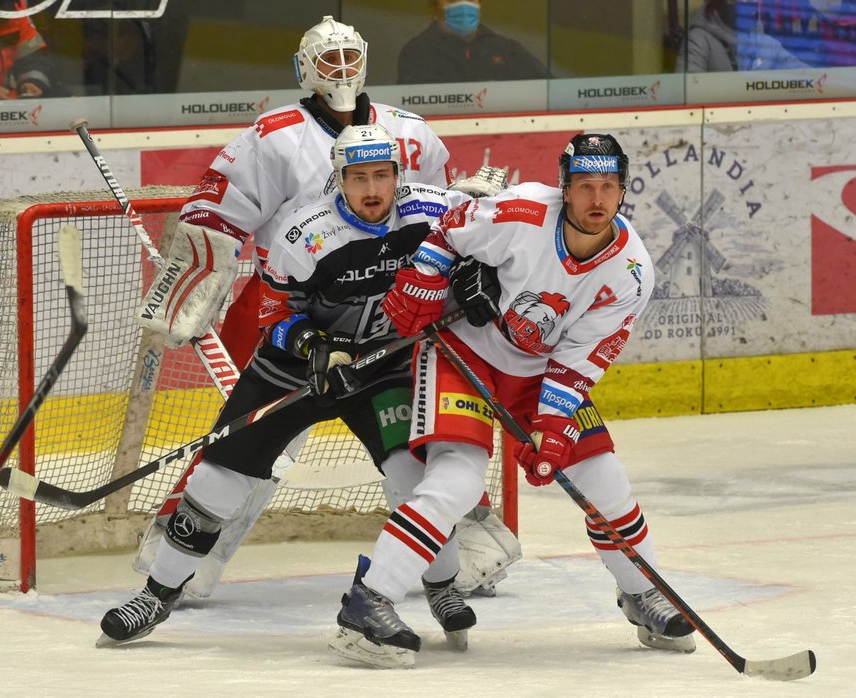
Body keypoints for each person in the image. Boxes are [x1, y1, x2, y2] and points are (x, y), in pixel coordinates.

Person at [130, 14, 521, 602]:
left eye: (348, 57)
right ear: (304, 68)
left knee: (422, 431)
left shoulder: (411, 130)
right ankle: (188, 553)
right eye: (326, 60)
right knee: (252, 431)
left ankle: (460, 540)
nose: (339, 70)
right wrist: (199, 268)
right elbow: (215, 213)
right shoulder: (274, 134)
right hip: (295, 303)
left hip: (395, 308)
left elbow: (444, 222)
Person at [99, 124, 512, 648]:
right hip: (293, 370)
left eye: (382, 176)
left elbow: (500, 228)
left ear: (398, 177)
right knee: (216, 483)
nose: (371, 190)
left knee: (416, 478)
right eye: (358, 177)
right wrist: (313, 345)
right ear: (338, 179)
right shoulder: (305, 234)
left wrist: (485, 269)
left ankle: (442, 587)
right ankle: (157, 595)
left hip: (382, 367)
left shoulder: (433, 211)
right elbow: (275, 312)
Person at [331, 133, 698, 668]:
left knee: (604, 478)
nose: (597, 200)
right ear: (565, 189)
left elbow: (577, 361)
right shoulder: (522, 210)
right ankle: (368, 602)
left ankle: (642, 592)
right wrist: (427, 278)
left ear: (622, 191)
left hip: (540, 373)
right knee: (457, 478)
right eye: (585, 187)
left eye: (609, 187)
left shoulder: (632, 273)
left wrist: (553, 425)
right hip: (466, 353)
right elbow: (449, 231)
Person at [397, 0, 547, 84]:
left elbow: (546, 89)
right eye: (452, 0)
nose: (463, 5)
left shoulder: (506, 49)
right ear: (434, 9)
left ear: (479, 7)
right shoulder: (416, 52)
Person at [676, 0, 809, 72]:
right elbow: (686, 95)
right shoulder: (699, 40)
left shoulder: (765, 43)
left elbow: (809, 79)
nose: (748, 4)